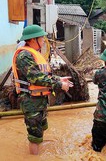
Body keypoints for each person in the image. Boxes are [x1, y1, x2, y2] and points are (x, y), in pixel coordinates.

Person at [12, 24, 73, 155]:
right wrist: (59, 85)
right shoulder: (24, 56)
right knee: (35, 136)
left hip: (40, 100)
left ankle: (39, 153)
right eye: (41, 38)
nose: (43, 41)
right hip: (31, 101)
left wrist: (58, 79)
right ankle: (34, 156)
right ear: (33, 39)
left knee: (41, 129)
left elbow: (45, 75)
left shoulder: (35, 55)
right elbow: (36, 78)